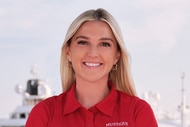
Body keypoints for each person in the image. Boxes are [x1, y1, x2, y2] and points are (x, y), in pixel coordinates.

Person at [25, 8, 158, 127]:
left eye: (104, 44)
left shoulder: (138, 112)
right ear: (68, 52)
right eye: (83, 42)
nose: (93, 53)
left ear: (116, 56)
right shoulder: (44, 113)